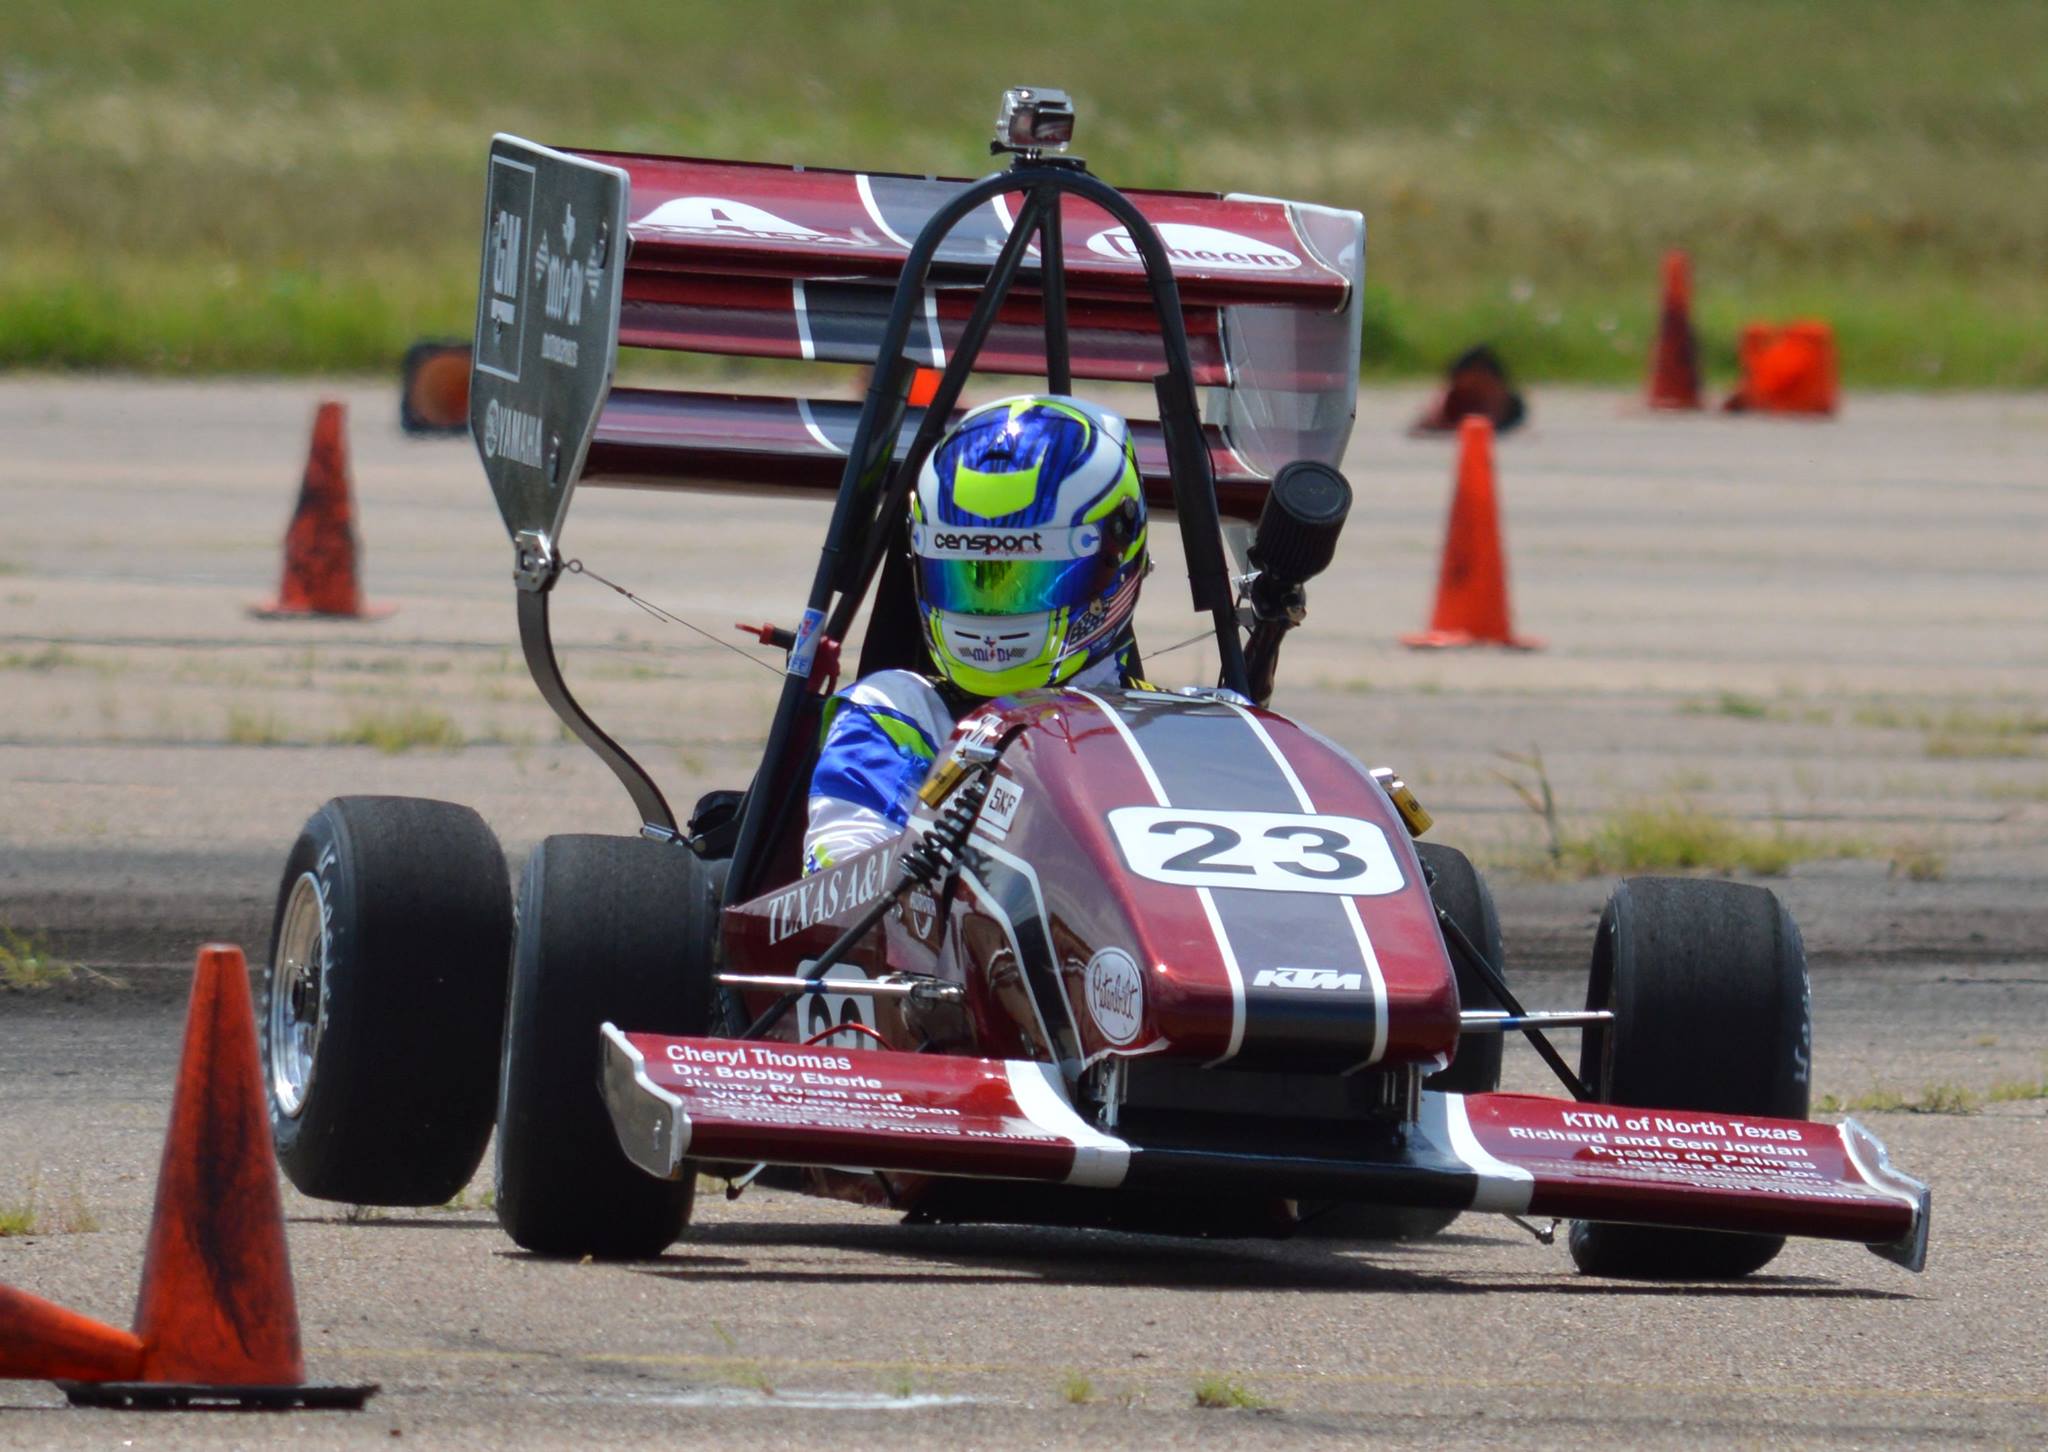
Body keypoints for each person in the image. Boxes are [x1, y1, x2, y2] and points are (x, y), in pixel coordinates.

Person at [803, 395, 1148, 873]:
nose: (990, 609)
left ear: (1113, 559)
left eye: (1026, 581)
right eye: (968, 577)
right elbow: (839, 875)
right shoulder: (900, 716)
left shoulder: (1190, 726)